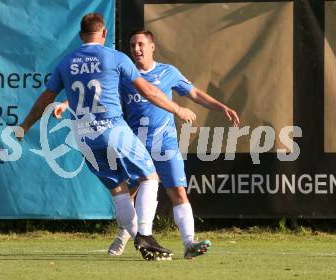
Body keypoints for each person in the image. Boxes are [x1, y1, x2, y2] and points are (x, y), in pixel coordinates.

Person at [18, 14, 196, 261]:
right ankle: (145, 234)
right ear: (103, 34)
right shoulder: (115, 57)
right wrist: (178, 109)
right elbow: (149, 91)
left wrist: (25, 126)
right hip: (113, 129)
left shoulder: (66, 62)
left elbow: (45, 99)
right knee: (149, 177)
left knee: (118, 190)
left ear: (81, 36)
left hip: (84, 136)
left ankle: (140, 241)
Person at [56, 29, 240, 259]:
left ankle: (189, 243)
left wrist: (221, 107)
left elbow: (195, 93)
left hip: (165, 144)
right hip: (135, 144)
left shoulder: (168, 72)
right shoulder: (124, 74)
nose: (136, 49)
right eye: (132, 45)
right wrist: (65, 103)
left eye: (141, 44)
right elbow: (97, 91)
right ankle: (127, 235)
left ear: (152, 47)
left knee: (178, 192)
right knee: (128, 193)